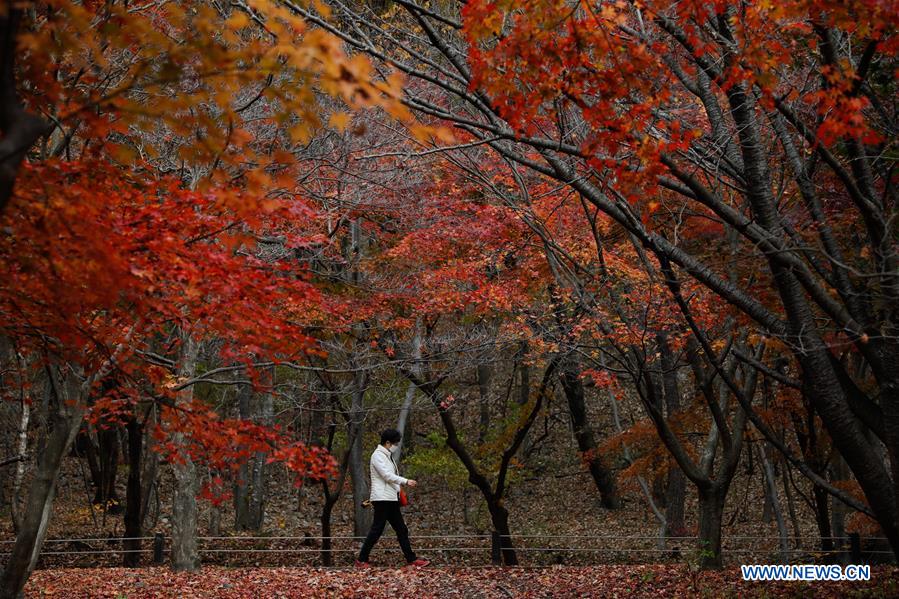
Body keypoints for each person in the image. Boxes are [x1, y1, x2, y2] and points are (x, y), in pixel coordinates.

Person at [355, 429, 430, 568]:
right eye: (395, 443)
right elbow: (386, 475)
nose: (396, 446)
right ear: (387, 442)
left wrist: (398, 492)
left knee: (401, 529)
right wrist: (405, 481)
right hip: (382, 498)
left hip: (389, 498)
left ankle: (411, 559)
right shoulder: (377, 456)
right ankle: (361, 559)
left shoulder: (386, 456)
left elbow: (390, 478)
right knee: (377, 529)